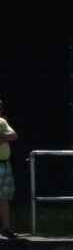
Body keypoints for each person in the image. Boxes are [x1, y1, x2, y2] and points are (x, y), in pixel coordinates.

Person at [0, 97, 17, 238]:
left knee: (4, 197)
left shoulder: (2, 122)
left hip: (5, 164)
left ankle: (6, 228)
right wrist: (5, 138)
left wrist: (2, 136)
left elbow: (14, 135)